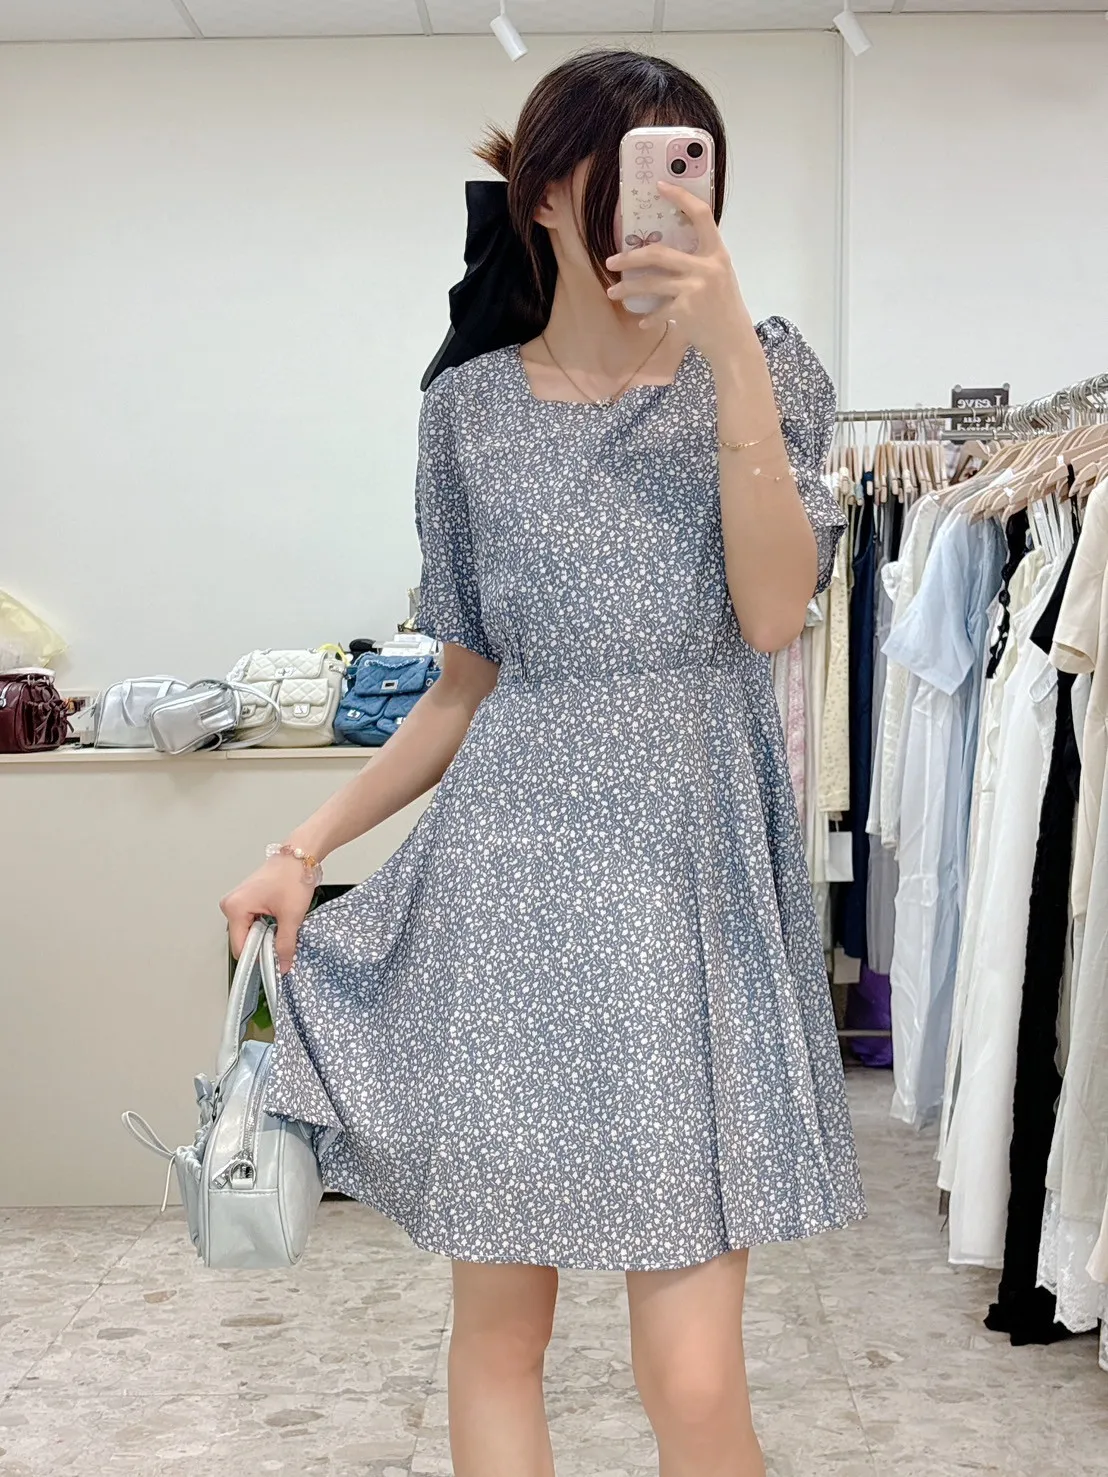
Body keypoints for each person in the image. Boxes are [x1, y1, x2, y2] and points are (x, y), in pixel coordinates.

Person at [221, 48, 865, 1477]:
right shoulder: (467, 410)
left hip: (691, 895)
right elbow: (462, 692)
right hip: (510, 896)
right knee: (500, 1338)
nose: (658, 208)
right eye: (624, 175)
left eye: (687, 175)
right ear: (547, 197)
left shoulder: (769, 373)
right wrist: (303, 846)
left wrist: (734, 358)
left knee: (692, 1378)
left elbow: (773, 613)